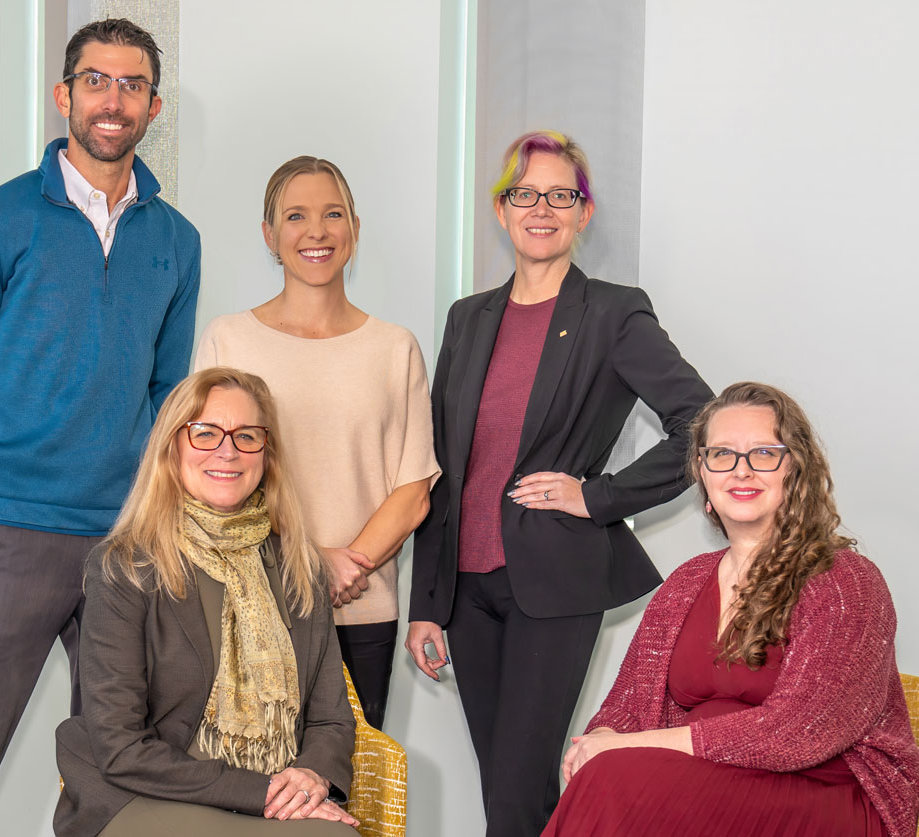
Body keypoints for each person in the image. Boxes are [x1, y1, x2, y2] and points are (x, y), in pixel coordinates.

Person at [0, 18, 200, 837]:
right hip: (14, 536)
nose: (114, 100)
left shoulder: (177, 240)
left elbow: (169, 393)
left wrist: (142, 506)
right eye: (97, 80)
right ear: (64, 94)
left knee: (113, 771)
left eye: (132, 85)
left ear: (154, 106)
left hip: (126, 542)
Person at [405, 129, 713, 837]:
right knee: (510, 790)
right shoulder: (467, 317)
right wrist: (427, 602)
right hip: (467, 592)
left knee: (517, 792)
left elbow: (701, 423)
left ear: (583, 212)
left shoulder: (613, 312)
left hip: (552, 583)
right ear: (501, 208)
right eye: (524, 193)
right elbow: (442, 466)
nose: (540, 208)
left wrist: (596, 496)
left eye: (560, 195)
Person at [543, 382, 919, 837]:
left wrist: (631, 747)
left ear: (796, 469)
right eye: (722, 454)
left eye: (763, 453)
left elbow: (799, 734)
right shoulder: (687, 581)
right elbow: (625, 704)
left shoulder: (845, 580)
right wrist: (602, 737)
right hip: (704, 781)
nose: (741, 470)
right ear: (702, 472)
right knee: (607, 773)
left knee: (614, 779)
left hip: (826, 790)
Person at [54, 367, 357, 836]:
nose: (228, 451)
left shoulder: (301, 568)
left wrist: (311, 777)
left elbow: (331, 717)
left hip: (269, 788)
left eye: (247, 436)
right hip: (144, 790)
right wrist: (262, 792)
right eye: (205, 432)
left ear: (267, 454)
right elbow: (120, 747)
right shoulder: (125, 567)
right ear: (171, 447)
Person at [196, 156, 439, 730]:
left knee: (352, 777)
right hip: (250, 604)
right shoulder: (228, 339)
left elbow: (413, 491)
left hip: (361, 608)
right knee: (253, 781)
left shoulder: (395, 347)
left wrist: (341, 570)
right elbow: (209, 478)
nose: (317, 231)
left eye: (333, 214)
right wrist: (307, 563)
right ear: (269, 235)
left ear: (354, 228)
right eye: (296, 216)